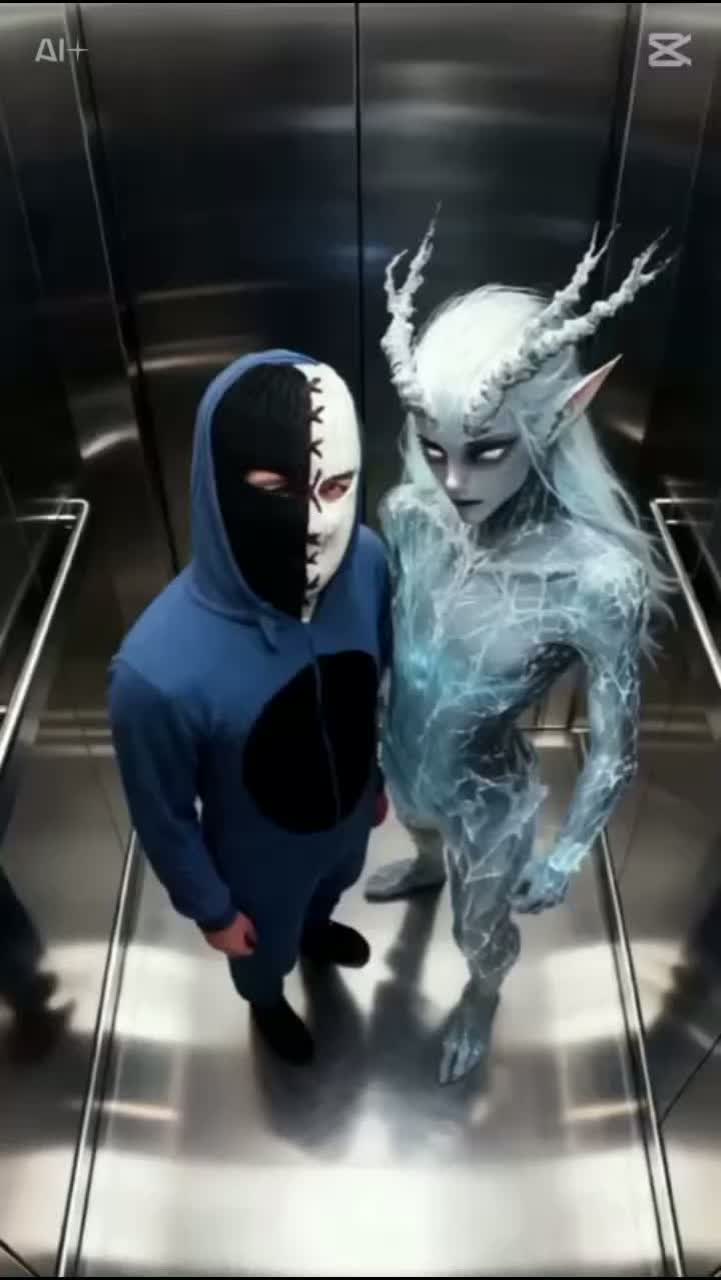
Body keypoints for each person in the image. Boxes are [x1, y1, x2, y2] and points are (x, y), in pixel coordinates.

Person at [366, 217, 672, 1083]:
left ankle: (480, 996)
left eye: (487, 451)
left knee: (480, 928)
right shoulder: (410, 516)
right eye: (435, 451)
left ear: (557, 420)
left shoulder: (594, 580)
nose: (454, 482)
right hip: (402, 757)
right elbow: (394, 647)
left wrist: (568, 850)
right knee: (421, 825)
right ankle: (426, 863)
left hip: (487, 793)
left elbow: (613, 743)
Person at [109, 351, 390, 1065]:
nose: (317, 520)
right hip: (257, 859)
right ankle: (266, 1002)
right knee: (263, 951)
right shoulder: (155, 671)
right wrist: (212, 909)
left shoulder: (368, 563)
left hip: (349, 816)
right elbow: (163, 814)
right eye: (277, 488)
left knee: (333, 885)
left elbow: (371, 686)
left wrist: (376, 779)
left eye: (336, 486)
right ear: (218, 483)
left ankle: (316, 929)